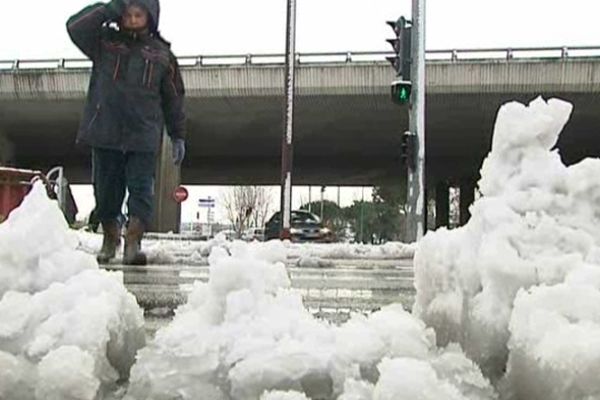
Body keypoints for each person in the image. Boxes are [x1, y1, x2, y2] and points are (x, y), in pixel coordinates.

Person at [67, 0, 186, 265]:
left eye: (138, 14)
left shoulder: (162, 55)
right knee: (106, 192)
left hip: (142, 135)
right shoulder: (104, 43)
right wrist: (111, 8)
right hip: (105, 131)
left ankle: (134, 242)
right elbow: (74, 27)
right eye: (128, 13)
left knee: (141, 191)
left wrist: (177, 134)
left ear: (149, 17)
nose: (132, 19)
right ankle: (110, 238)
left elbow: (174, 98)